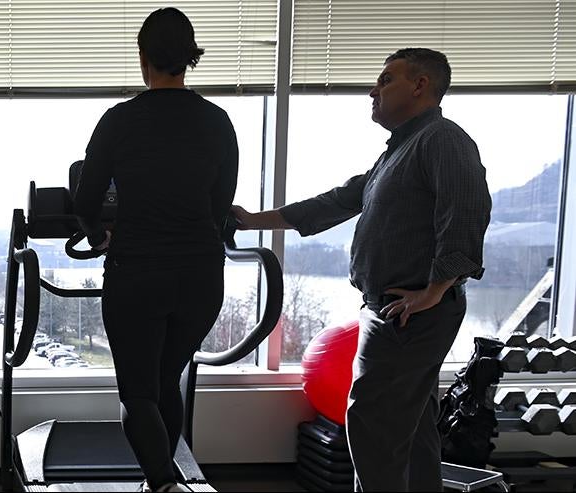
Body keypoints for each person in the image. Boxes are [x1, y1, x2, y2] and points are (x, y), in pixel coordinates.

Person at [232, 48, 490, 491]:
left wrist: (433, 288)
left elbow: (467, 210)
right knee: (412, 435)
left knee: (373, 429)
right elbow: (334, 202)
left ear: (420, 85)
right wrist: (255, 220)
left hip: (407, 314)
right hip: (396, 310)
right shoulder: (399, 152)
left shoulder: (442, 139)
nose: (373, 90)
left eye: (386, 80)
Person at [73, 7, 239, 492]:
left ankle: (164, 484)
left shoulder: (120, 120)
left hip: (138, 273)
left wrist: (102, 236)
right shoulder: (218, 121)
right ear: (190, 57)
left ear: (143, 55)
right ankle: (161, 483)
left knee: (138, 392)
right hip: (201, 277)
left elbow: (86, 201)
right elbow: (219, 204)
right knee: (167, 377)